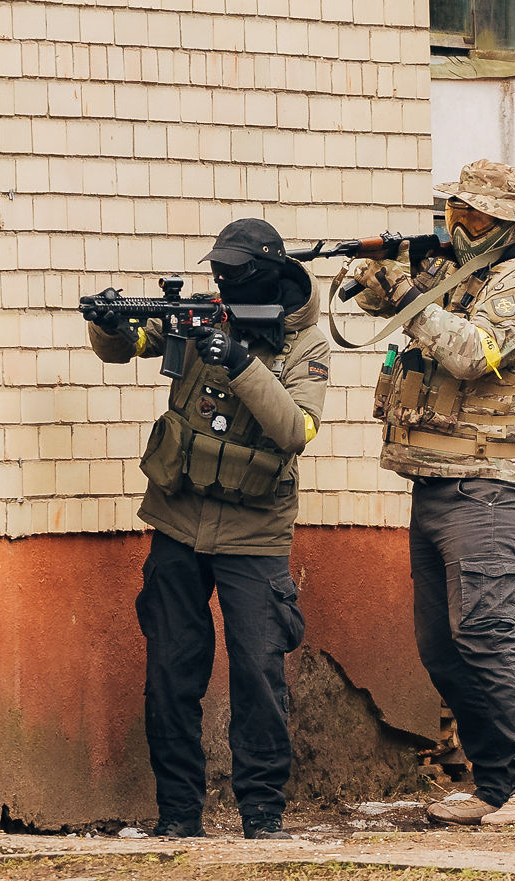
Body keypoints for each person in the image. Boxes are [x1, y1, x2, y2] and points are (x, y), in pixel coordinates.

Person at [348, 159, 515, 827]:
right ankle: (499, 781)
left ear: (506, 220)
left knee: (484, 631)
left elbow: (472, 354)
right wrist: (380, 281)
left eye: (475, 215)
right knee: (442, 645)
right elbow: (386, 310)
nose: (460, 224)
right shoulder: (464, 272)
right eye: (456, 211)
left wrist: (407, 295)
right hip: (440, 477)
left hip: (492, 484)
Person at [86, 218, 326, 841]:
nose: (223, 282)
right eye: (219, 271)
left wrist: (240, 362)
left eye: (235, 273)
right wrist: (108, 324)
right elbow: (128, 344)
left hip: (255, 533)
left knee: (258, 675)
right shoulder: (202, 315)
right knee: (171, 670)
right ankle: (177, 814)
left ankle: (262, 813)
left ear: (268, 270)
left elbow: (295, 429)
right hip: (179, 519)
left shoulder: (305, 342)